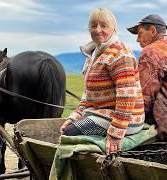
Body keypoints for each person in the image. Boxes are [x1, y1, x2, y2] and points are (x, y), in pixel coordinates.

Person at [60, 8, 145, 155]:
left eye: (104, 26)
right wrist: (75, 116)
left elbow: (127, 97)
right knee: (69, 128)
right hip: (103, 113)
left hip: (128, 119)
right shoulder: (97, 54)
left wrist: (115, 134)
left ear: (114, 28)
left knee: (70, 133)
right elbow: (88, 97)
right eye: (93, 26)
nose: (98, 30)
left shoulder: (120, 53)